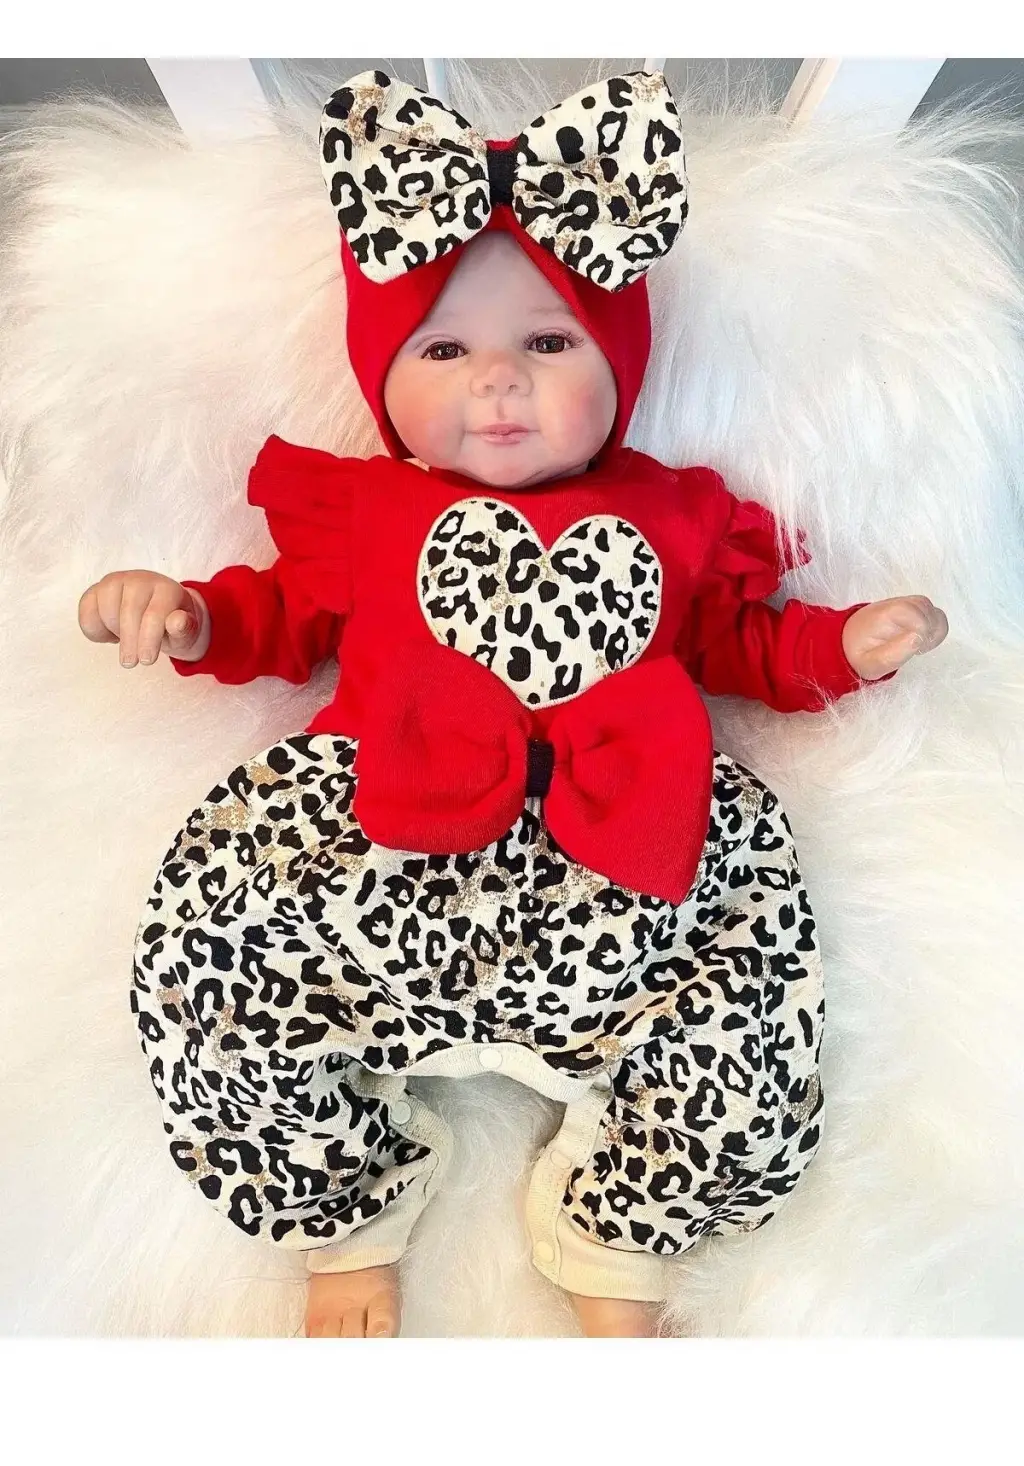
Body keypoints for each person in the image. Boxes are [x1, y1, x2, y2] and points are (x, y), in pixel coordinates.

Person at [78, 70, 948, 1338]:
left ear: (618, 369)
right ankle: (342, 1220)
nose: (496, 381)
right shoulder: (364, 509)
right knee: (209, 960)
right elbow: (279, 617)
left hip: (634, 854)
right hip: (373, 841)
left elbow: (742, 644)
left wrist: (845, 646)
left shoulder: (674, 511)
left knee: (750, 1016)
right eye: (444, 350)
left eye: (547, 344)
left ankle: (622, 1244)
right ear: (384, 384)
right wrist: (187, 614)